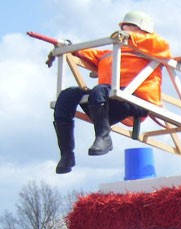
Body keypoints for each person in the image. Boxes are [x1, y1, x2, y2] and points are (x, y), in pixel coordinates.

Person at [52, 10, 171, 174]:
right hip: (107, 102)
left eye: (129, 26)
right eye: (124, 26)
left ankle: (104, 138)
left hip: (136, 102)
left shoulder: (152, 47)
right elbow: (90, 55)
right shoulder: (113, 51)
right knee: (67, 96)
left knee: (100, 90)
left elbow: (161, 46)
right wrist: (70, 48)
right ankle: (66, 155)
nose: (125, 29)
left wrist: (130, 38)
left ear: (143, 30)